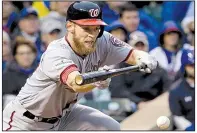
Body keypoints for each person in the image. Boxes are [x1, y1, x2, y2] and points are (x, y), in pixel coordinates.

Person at [3, 1, 157, 131]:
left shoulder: (102, 40)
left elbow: (131, 54)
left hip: (64, 116)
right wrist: (98, 79)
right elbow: (76, 83)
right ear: (70, 26)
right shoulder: (57, 51)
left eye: (96, 28)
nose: (92, 34)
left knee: (111, 127)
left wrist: (143, 57)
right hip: (25, 121)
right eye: (86, 28)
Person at [109, 31, 170, 110]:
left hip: (155, 106)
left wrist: (156, 103)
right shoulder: (120, 67)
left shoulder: (157, 68)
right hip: (130, 107)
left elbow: (168, 88)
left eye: (142, 46)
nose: (140, 49)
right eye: (137, 46)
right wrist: (138, 102)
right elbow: (117, 90)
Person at [3, 36, 37, 109]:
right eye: (21, 53)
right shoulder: (7, 76)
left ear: (34, 55)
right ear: (15, 56)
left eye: (29, 53)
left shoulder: (41, 73)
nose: (26, 56)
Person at [169, 49, 194, 130]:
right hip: (190, 125)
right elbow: (177, 116)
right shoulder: (176, 90)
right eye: (192, 65)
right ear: (184, 66)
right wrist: (190, 128)